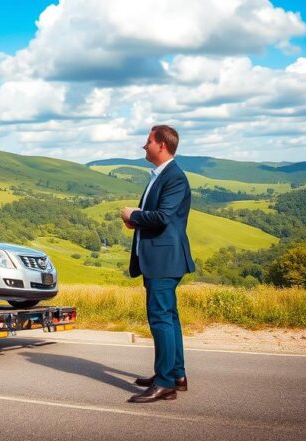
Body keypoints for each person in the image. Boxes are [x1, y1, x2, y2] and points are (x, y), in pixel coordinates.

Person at [121, 125, 195, 403]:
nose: (144, 146)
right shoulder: (161, 175)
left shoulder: (174, 177)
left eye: (148, 141)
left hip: (164, 260)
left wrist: (134, 214)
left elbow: (163, 217)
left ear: (161, 145)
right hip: (159, 258)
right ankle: (176, 374)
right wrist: (137, 220)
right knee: (169, 317)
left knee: (161, 318)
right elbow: (161, 217)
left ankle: (165, 383)